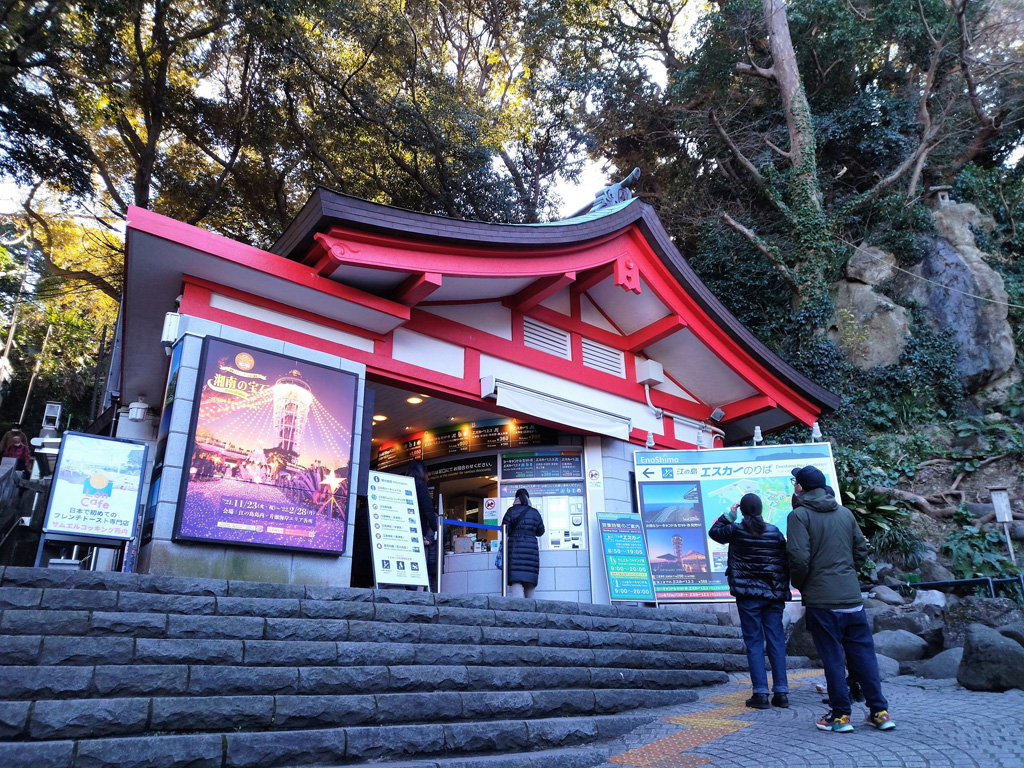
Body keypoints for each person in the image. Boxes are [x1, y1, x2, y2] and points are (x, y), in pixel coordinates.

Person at [787, 465, 895, 733]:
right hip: (852, 598)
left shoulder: (799, 516)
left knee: (833, 658)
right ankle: (880, 712)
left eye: (795, 482)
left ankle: (840, 716)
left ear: (800, 487)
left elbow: (799, 558)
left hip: (823, 601)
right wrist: (848, 574)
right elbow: (861, 550)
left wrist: (802, 585)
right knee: (864, 657)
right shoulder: (845, 513)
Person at [709, 492, 791, 709]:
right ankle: (781, 692)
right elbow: (784, 561)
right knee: (776, 640)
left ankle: (761, 694)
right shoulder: (774, 531)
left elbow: (714, 532)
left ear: (743, 510)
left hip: (748, 597)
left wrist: (729, 514)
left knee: (754, 643)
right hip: (773, 595)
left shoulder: (735, 529)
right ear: (761, 509)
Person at [503, 488, 545, 598]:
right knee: (530, 580)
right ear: (528, 498)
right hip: (531, 549)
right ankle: (531, 611)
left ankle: (518, 610)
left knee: (516, 578)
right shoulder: (534, 512)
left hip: (515, 548)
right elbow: (541, 531)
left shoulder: (511, 511)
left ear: (516, 498)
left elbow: (504, 529)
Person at [408, 460, 439, 592]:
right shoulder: (420, 485)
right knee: (418, 561)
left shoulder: (405, 484)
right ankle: (413, 588)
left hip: (404, 529)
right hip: (418, 530)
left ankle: (408, 587)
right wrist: (436, 528)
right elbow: (428, 509)